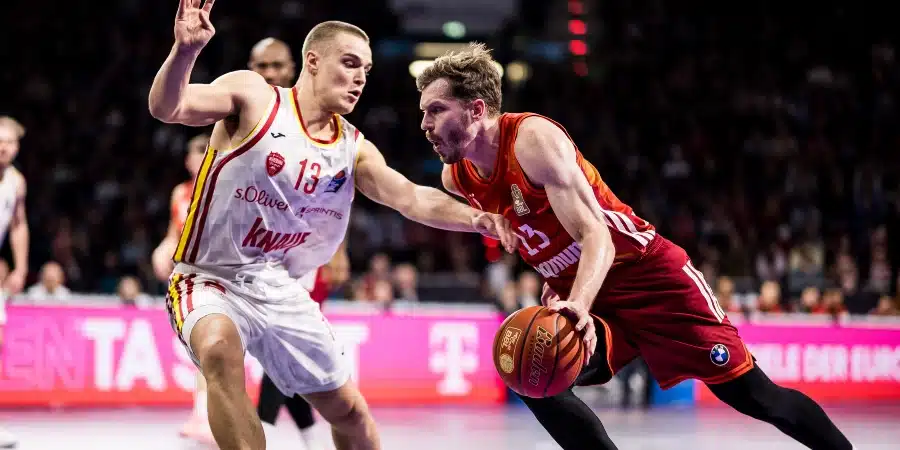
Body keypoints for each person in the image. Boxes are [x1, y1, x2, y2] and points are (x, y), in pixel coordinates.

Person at [417, 43, 855, 450]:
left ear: (477, 109)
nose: (425, 125)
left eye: (436, 110)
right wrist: (549, 273)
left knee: (754, 396)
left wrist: (578, 303)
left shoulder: (532, 140)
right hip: (592, 294)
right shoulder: (458, 178)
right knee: (534, 374)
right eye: (423, 113)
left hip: (649, 276)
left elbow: (598, 238)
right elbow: (519, 225)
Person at [148, 2, 516, 449]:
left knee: (350, 414)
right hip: (209, 278)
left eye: (366, 68)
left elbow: (411, 196)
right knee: (219, 351)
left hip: (279, 285)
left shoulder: (353, 148)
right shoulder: (255, 96)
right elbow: (170, 106)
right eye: (349, 63)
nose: (360, 77)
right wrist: (185, 52)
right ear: (313, 61)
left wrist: (476, 217)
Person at [247, 36, 347, 450]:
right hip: (247, 257)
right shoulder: (239, 111)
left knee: (282, 346)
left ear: (296, 68)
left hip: (299, 258)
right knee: (283, 353)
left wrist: (340, 249)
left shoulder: (314, 118)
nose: (270, 74)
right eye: (261, 66)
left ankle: (265, 433)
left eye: (277, 66)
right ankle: (310, 438)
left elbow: (335, 189)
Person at [151, 132, 216, 445]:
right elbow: (173, 232)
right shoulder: (179, 193)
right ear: (188, 160)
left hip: (217, 277)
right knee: (200, 348)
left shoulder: (222, 188)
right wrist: (163, 248)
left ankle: (207, 416)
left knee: (211, 348)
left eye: (207, 151)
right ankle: (202, 414)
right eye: (197, 152)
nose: (201, 156)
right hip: (187, 277)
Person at [0, 116, 31, 449]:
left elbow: (19, 225)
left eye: (11, 142)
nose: (5, 147)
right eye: (0, 140)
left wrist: (20, 267)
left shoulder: (16, 182)